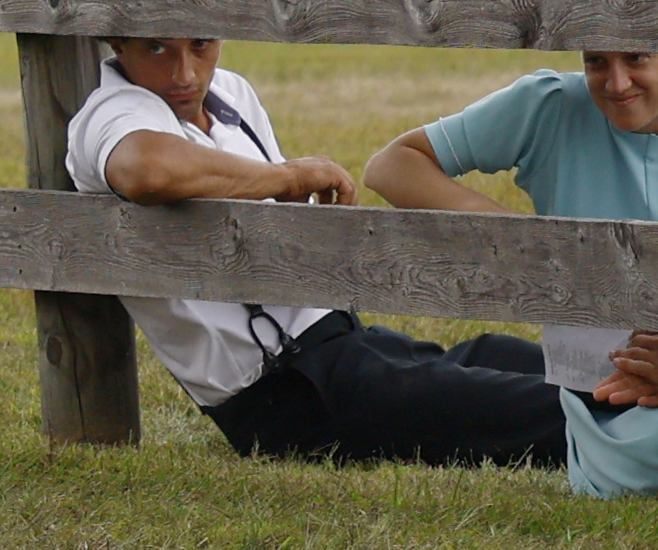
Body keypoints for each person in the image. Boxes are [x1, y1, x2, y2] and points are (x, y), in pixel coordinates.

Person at [68, 36, 564, 466]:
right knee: (550, 407)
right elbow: (148, 170)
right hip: (283, 393)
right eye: (156, 48)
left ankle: (623, 389)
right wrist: (290, 175)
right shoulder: (113, 113)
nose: (184, 72)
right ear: (119, 45)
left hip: (342, 341)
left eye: (200, 45)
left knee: (511, 357)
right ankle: (631, 425)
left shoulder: (231, 94)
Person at [363, 53, 658, 499]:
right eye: (596, 62)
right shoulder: (553, 106)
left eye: (637, 59)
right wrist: (521, 241)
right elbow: (392, 165)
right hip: (612, 413)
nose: (616, 83)